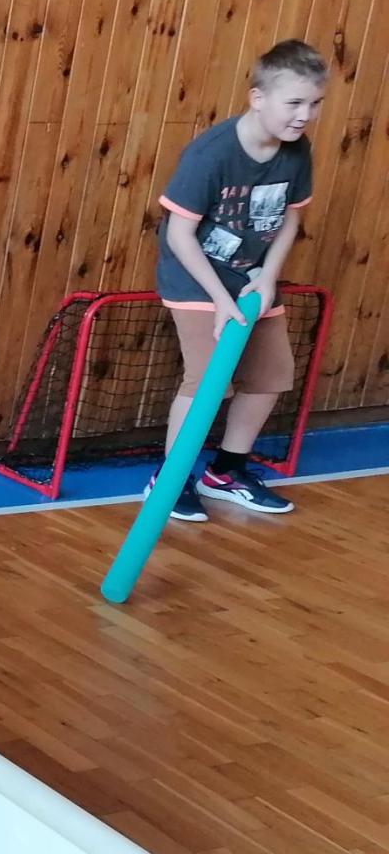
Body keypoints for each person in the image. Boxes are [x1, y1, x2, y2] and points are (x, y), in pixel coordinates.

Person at [149, 39, 324, 521]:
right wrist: (218, 298)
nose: (305, 115)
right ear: (258, 98)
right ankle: (170, 479)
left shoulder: (296, 151)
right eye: (294, 103)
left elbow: (289, 218)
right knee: (208, 380)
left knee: (270, 376)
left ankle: (226, 471)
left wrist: (268, 278)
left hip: (251, 280)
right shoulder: (212, 154)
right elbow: (179, 234)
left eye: (314, 104)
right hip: (196, 279)